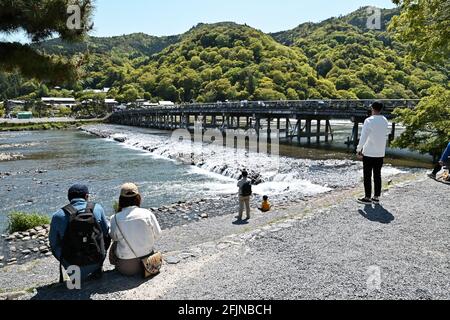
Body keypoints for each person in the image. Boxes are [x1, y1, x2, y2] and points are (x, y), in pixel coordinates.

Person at [49, 184, 111, 281]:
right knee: (105, 235)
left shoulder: (58, 215)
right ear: (86, 196)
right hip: (96, 257)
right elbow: (106, 232)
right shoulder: (97, 208)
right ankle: (97, 268)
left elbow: (53, 243)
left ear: (69, 198)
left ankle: (74, 276)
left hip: (72, 262)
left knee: (55, 246)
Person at [109, 183, 162, 277]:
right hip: (149, 262)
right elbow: (158, 234)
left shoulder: (115, 218)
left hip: (127, 269)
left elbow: (114, 237)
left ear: (121, 199)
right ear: (138, 197)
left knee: (115, 244)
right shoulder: (147, 214)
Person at [356, 102, 389, 205]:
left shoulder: (369, 120)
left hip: (369, 152)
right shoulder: (385, 120)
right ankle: (376, 197)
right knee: (377, 175)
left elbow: (363, 137)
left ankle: (367, 197)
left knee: (367, 175)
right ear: (381, 109)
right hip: (380, 153)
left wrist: (358, 149)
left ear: (372, 108)